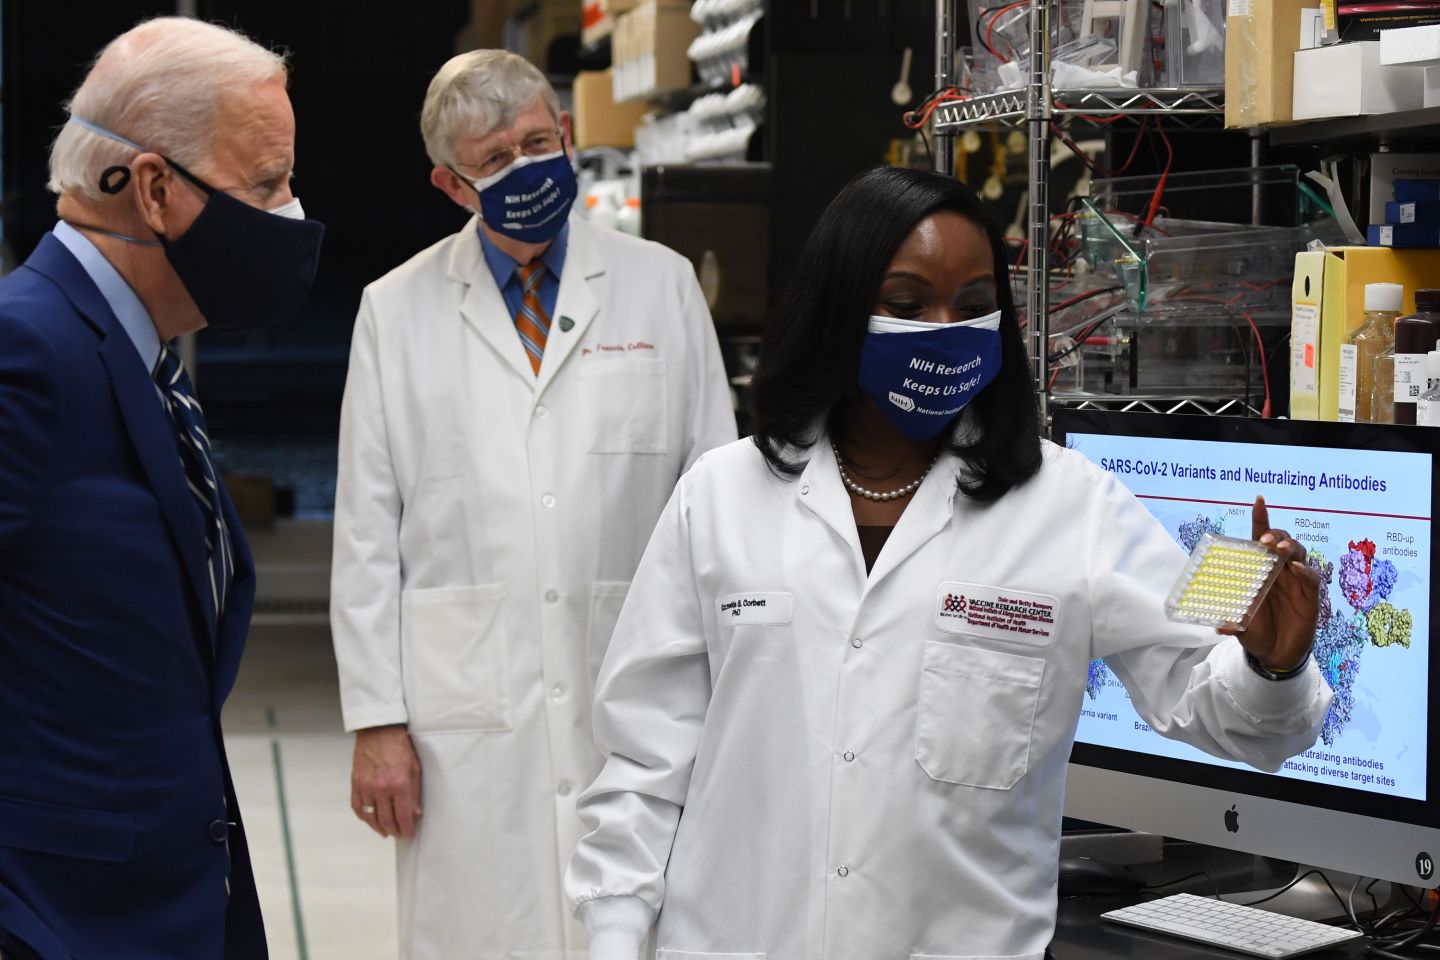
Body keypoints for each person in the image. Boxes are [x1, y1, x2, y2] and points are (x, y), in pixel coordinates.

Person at [563, 166, 1329, 960]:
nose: (943, 329)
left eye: (971, 306)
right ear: (838, 309)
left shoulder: (1071, 507)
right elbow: (644, 763)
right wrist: (615, 937)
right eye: (905, 305)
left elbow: (1225, 712)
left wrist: (1274, 665)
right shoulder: (721, 496)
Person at [329, 49, 735, 959]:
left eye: (538, 143)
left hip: (637, 694)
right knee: (483, 930)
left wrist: (736, 688)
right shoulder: (394, 311)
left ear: (567, 135)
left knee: (641, 926)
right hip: (467, 713)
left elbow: (719, 503)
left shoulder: (661, 286)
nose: (527, 170)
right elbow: (365, 533)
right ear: (451, 184)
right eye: (495, 160)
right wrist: (377, 722)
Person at [0, 17, 323, 960]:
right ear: (152, 190)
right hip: (63, 918)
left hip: (169, 899)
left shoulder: (139, 360)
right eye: (266, 183)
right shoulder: (26, 353)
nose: (291, 211)